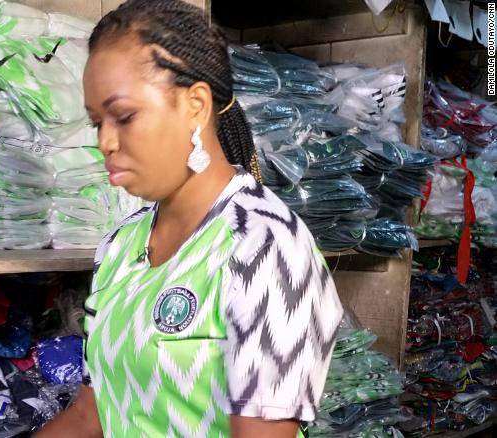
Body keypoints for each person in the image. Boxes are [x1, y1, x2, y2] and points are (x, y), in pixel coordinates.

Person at [37, 1, 344, 437]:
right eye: (96, 123)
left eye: (123, 116)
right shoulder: (121, 247)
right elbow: (94, 413)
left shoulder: (265, 246)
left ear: (196, 104)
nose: (105, 141)